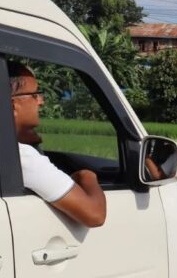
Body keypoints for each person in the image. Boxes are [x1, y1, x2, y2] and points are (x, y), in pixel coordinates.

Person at [9, 61, 107, 227]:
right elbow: (95, 215)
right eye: (35, 95)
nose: (41, 101)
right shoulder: (21, 157)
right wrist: (86, 176)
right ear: (12, 105)